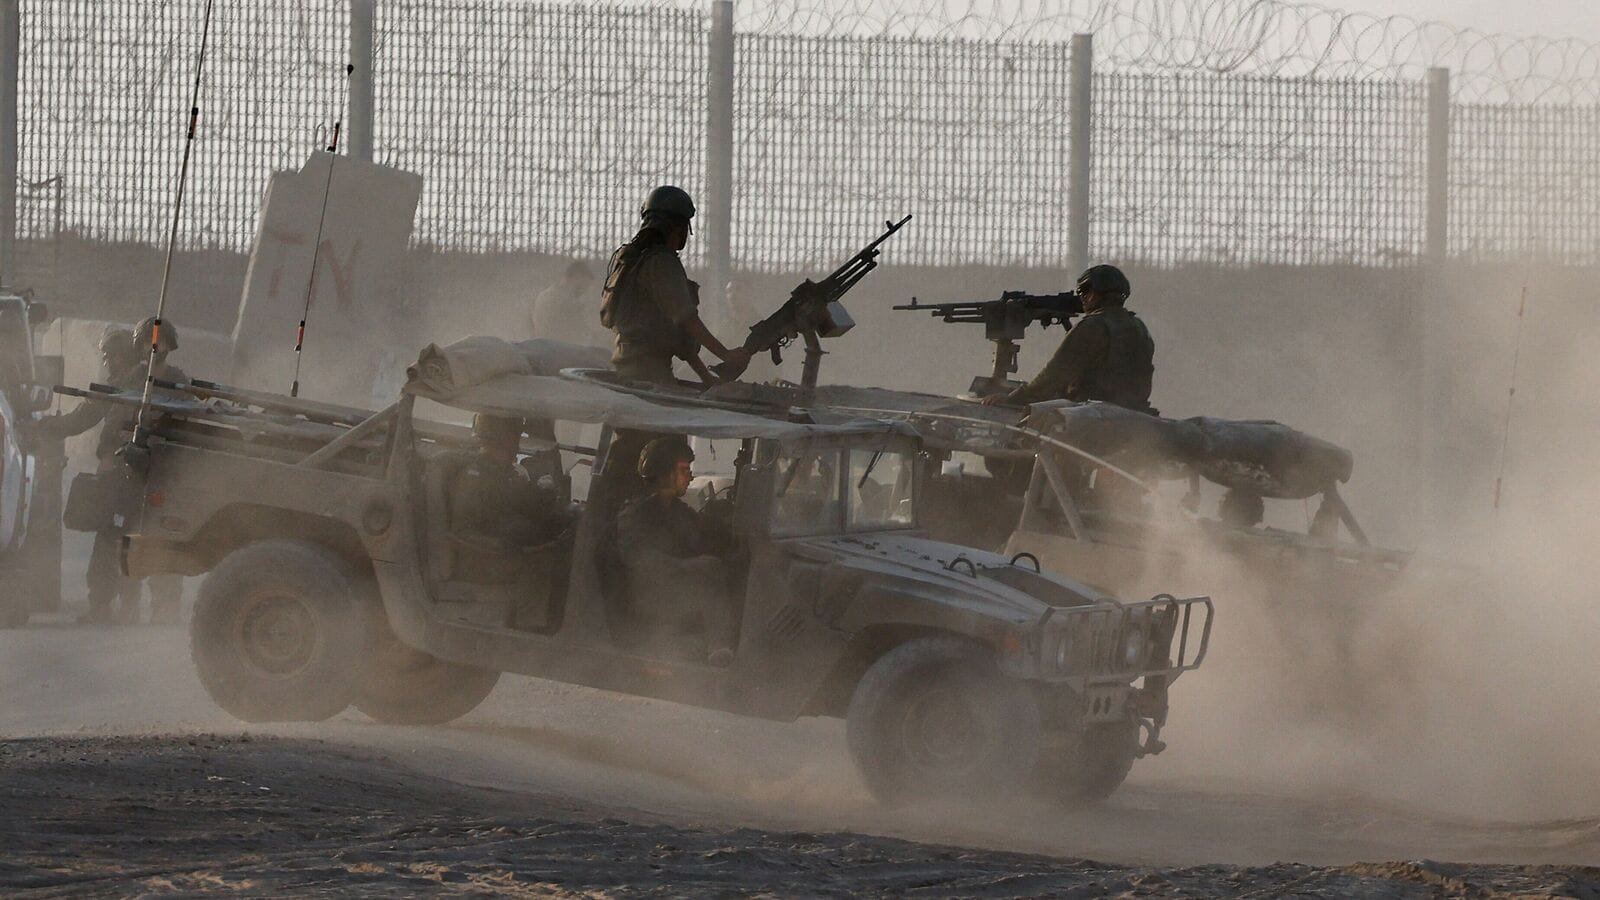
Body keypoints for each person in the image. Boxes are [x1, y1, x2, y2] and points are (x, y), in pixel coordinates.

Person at [38, 318, 186, 625]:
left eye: (161, 344)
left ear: (170, 347)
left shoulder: (179, 383)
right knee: (112, 536)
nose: (155, 349)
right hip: (126, 471)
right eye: (150, 343)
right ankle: (107, 605)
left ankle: (164, 607)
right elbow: (91, 412)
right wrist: (49, 427)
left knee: (163, 539)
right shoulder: (130, 381)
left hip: (162, 473)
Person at [599, 185, 751, 385]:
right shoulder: (662, 263)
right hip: (650, 372)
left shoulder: (632, 260)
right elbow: (687, 321)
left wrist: (705, 377)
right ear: (678, 227)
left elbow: (678, 334)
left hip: (629, 367)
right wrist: (726, 355)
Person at [613, 437, 739, 667]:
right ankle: (719, 646)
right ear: (663, 473)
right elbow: (637, 559)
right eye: (683, 470)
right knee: (709, 568)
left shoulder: (676, 510)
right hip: (649, 594)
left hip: (674, 586)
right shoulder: (636, 513)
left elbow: (700, 536)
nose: (689, 476)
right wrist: (687, 566)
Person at [981, 264, 1156, 414]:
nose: (1081, 298)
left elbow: (1054, 375)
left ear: (1093, 293)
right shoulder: (1139, 327)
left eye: (1083, 291)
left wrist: (1014, 399)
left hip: (1093, 416)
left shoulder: (1093, 326)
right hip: (1135, 414)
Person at [446, 413, 566, 581]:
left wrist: (544, 494)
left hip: (507, 540)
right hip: (486, 551)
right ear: (495, 441)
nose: (516, 448)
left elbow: (523, 504)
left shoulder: (506, 472)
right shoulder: (475, 475)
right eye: (512, 441)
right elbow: (470, 522)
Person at [529, 259, 598, 347]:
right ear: (576, 277)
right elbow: (579, 334)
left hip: (543, 347)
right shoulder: (567, 302)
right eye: (583, 286)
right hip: (560, 352)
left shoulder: (545, 294)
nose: (583, 291)